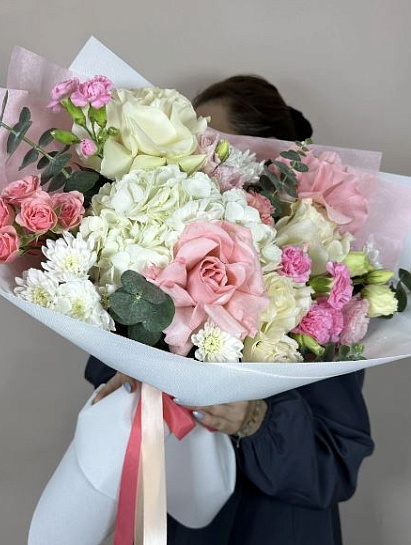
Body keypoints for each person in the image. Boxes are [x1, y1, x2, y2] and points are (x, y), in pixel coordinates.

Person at [85, 75, 374, 545]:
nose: (201, 164)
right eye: (192, 147)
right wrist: (136, 363)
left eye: (215, 149)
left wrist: (256, 419)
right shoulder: (150, 265)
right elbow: (104, 382)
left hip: (274, 529)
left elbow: (337, 467)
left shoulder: (318, 295)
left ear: (265, 164)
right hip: (175, 524)